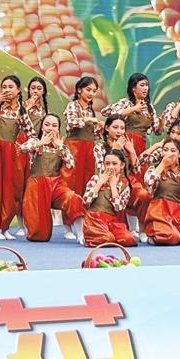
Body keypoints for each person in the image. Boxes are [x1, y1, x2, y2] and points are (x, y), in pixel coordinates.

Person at [0, 75, 35, 240]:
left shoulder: (21, 112)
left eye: (11, 87)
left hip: (11, 153)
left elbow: (32, 135)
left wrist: (24, 147)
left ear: (18, 90)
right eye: (4, 87)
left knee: (10, 190)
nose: (7, 90)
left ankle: (4, 228)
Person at [18, 114, 85, 242]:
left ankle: (81, 234)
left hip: (55, 185)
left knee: (73, 198)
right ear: (42, 127)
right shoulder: (34, 141)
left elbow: (71, 164)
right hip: (37, 186)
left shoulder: (61, 145)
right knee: (40, 236)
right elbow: (22, 148)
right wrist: (40, 143)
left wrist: (61, 146)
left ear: (58, 129)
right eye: (47, 124)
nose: (50, 128)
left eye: (54, 126)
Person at [61, 76, 103, 239]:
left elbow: (94, 134)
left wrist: (100, 127)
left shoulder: (91, 110)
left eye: (94, 91)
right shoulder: (73, 105)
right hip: (74, 147)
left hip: (88, 148)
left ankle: (84, 222)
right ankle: (67, 226)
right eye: (88, 90)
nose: (91, 93)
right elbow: (71, 122)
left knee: (87, 183)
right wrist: (88, 119)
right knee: (70, 183)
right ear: (79, 90)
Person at [143, 138, 180, 246]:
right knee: (172, 237)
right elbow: (149, 183)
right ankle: (155, 236)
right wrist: (162, 165)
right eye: (165, 150)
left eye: (173, 150)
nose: (168, 153)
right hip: (159, 211)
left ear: (179, 154)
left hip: (176, 212)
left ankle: (174, 233)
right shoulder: (155, 168)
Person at [15, 76, 49, 237]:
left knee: (31, 185)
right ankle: (20, 224)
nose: (35, 91)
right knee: (19, 184)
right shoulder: (20, 105)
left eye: (39, 88)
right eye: (33, 88)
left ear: (44, 92)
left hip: (37, 146)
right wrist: (27, 107)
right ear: (28, 90)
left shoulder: (44, 110)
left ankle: (33, 223)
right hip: (21, 144)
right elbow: (15, 122)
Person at [82, 150, 137, 247]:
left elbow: (119, 207)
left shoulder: (124, 185)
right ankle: (91, 236)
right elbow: (86, 201)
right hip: (95, 219)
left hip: (111, 221)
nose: (110, 167)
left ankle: (109, 237)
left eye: (114, 164)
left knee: (129, 239)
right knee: (107, 238)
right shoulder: (95, 179)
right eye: (107, 164)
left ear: (122, 165)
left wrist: (113, 186)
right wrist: (100, 182)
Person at [100, 72, 162, 157]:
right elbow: (109, 114)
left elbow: (157, 131)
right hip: (126, 142)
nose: (145, 88)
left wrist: (161, 122)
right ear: (133, 88)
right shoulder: (126, 102)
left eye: (147, 85)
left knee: (138, 163)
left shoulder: (149, 108)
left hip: (141, 143)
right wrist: (134, 109)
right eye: (142, 85)